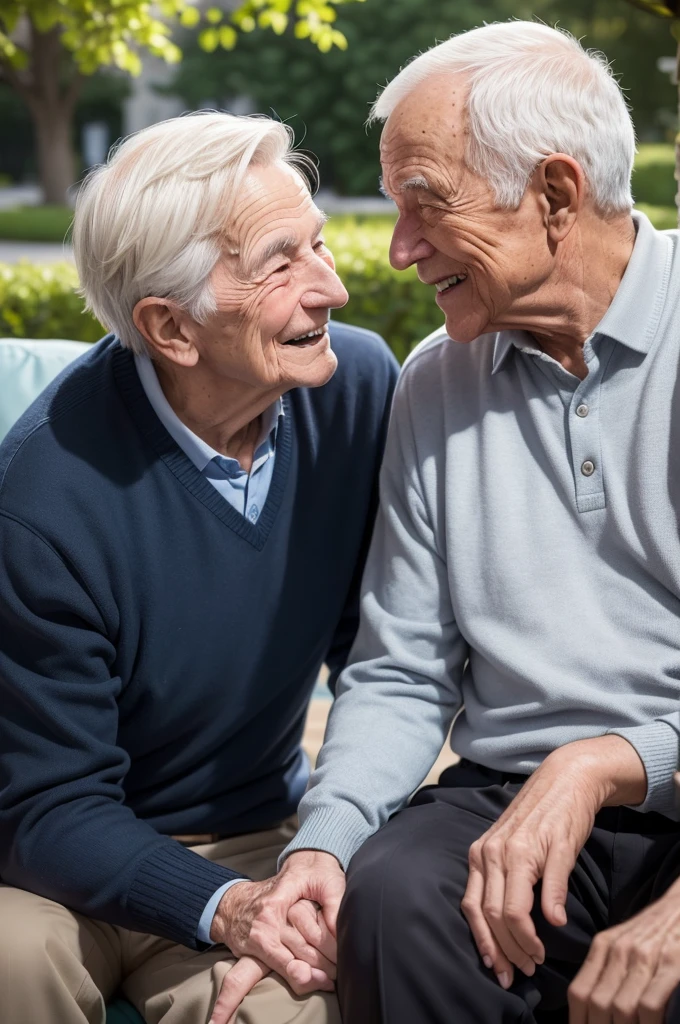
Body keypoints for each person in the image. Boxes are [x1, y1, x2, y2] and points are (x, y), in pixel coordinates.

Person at [254, 21, 680, 1024]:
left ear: (556, 195)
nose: (397, 253)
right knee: (395, 902)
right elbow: (401, 669)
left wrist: (605, 762)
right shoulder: (432, 384)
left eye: (423, 206)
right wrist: (322, 842)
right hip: (508, 801)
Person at [0, 111, 398, 1024]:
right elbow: (48, 805)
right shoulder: (39, 503)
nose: (331, 287)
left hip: (257, 833)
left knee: (291, 1010)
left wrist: (324, 853)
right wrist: (225, 911)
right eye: (280, 264)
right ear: (171, 328)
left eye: (321, 245)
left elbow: (378, 654)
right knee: (10, 965)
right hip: (54, 862)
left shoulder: (355, 390)